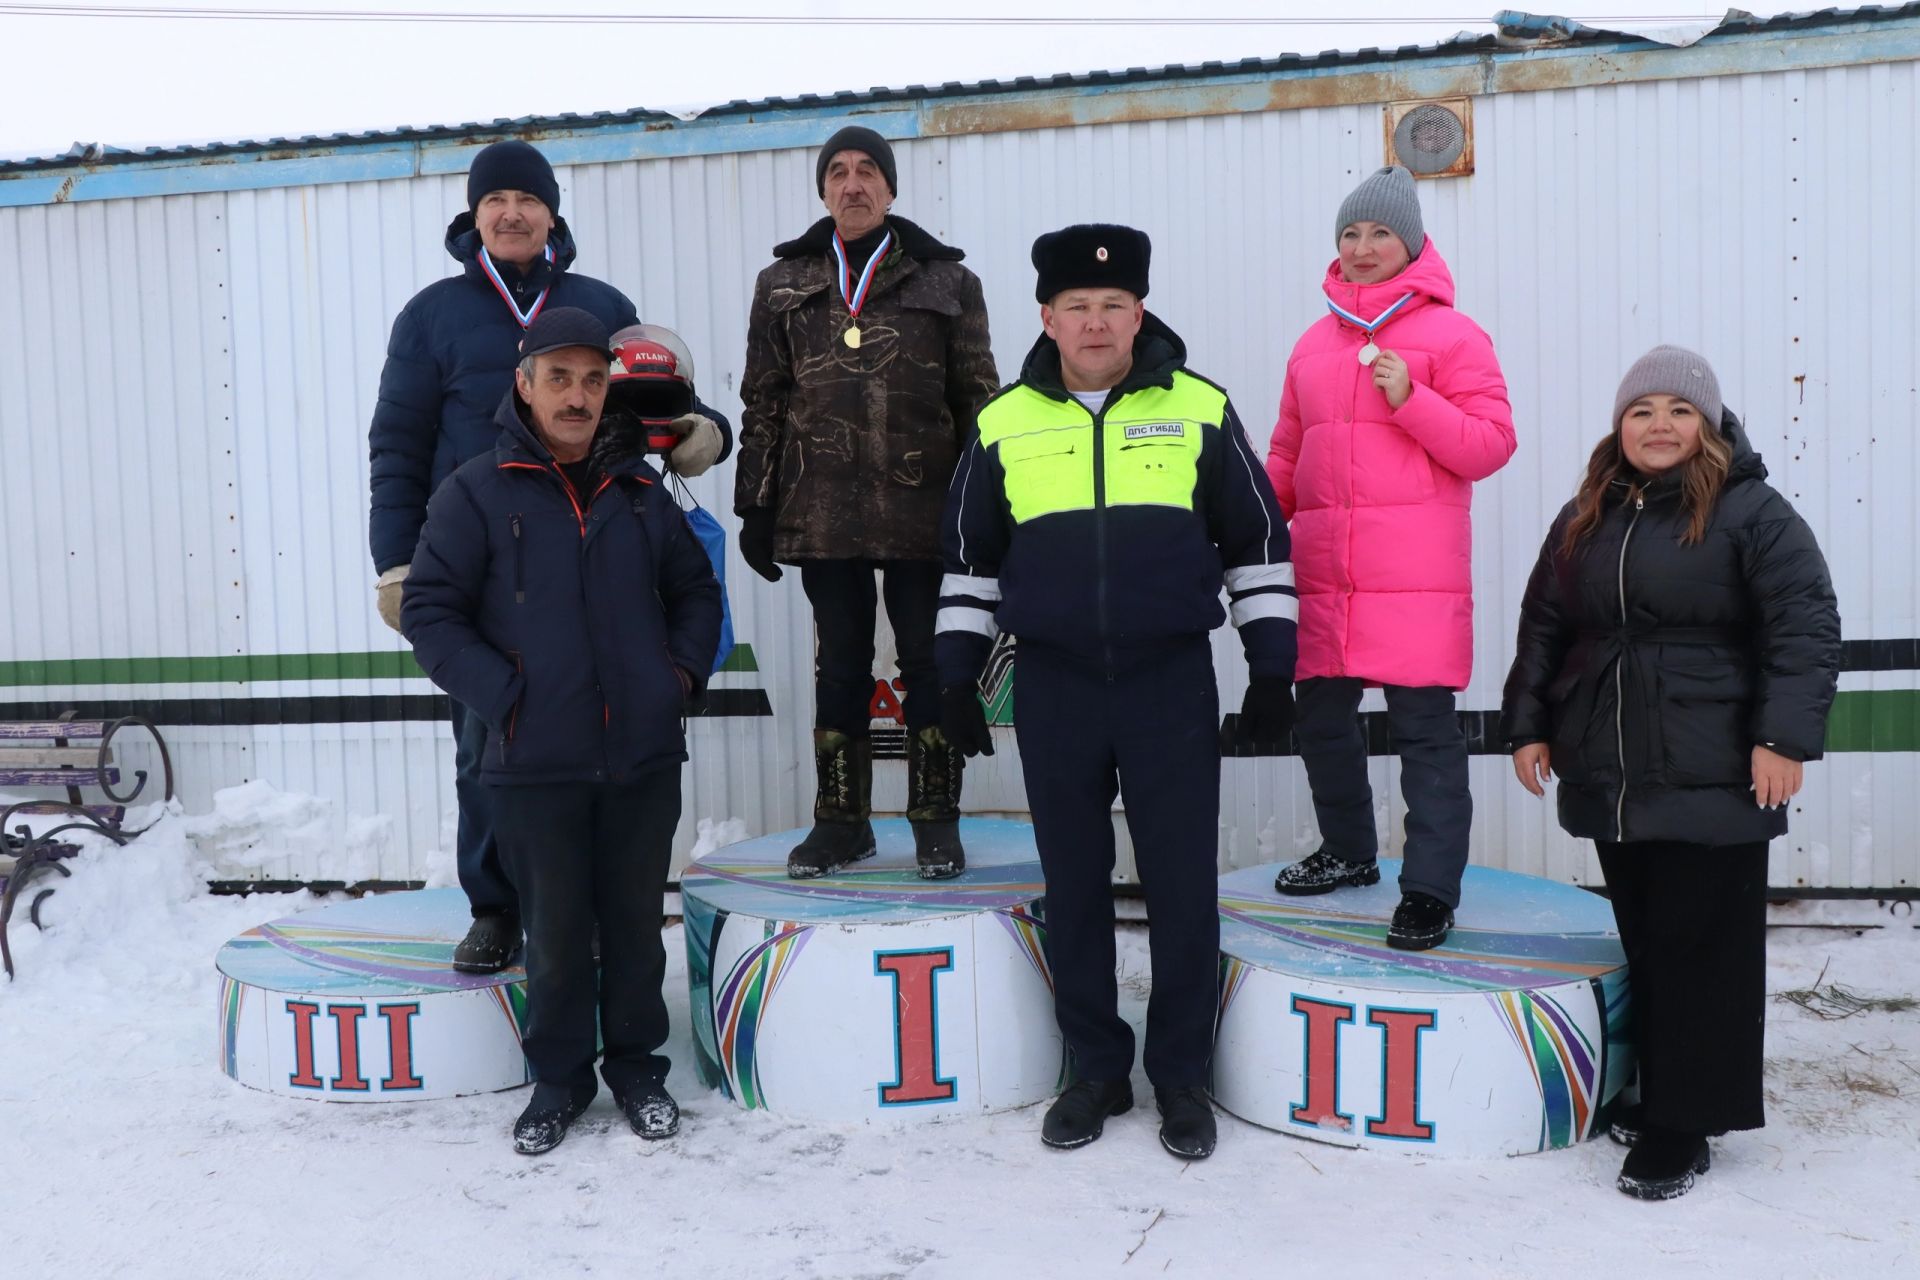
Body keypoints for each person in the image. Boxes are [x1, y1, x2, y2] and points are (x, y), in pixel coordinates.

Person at [937, 225, 1298, 1160]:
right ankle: (1095, 1067)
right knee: (1075, 885)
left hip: (1168, 678)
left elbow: (1255, 546)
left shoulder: (1200, 409)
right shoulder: (1003, 421)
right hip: (1053, 683)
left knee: (1182, 887)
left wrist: (1271, 665)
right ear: (1047, 318)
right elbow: (971, 564)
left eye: (1113, 305)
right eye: (1076, 307)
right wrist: (952, 676)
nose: (1095, 322)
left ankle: (1180, 1074)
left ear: (1140, 311)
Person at [368, 139, 729, 973]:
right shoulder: (431, 316)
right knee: (483, 744)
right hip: (482, 558)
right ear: (474, 216)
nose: (511, 213)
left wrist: (699, 429)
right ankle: (495, 907)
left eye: (527, 200)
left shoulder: (602, 301)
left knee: (602, 739)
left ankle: (591, 909)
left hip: (597, 550)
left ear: (552, 212)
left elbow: (654, 393)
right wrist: (397, 561)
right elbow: (397, 443)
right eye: (495, 200)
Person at [1500, 346, 1839, 1200]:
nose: (1660, 425)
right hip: (1614, 765)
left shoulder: (1752, 512)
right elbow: (1545, 621)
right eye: (1642, 409)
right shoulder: (1588, 513)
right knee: (1650, 938)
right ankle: (1662, 1088)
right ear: (1620, 425)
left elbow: (1803, 624)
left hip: (1715, 763)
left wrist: (1785, 740)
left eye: (1679, 410)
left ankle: (1685, 1124)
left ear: (1710, 426)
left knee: (1703, 950)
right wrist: (1530, 724)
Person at [401, 307, 723, 1155]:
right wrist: (503, 697)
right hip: (532, 758)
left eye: (591, 380)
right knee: (552, 932)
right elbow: (429, 610)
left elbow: (695, 593)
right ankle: (558, 1081)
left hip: (641, 754)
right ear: (524, 384)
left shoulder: (644, 490)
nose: (577, 397)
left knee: (630, 926)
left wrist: (677, 678)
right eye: (559, 379)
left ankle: (638, 1072)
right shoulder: (475, 489)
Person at [734, 125, 999, 880]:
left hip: (925, 514)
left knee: (930, 663)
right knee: (840, 667)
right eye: (839, 173)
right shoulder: (783, 282)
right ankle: (840, 823)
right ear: (823, 189)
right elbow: (764, 399)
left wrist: (984, 514)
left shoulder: (947, 281)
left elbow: (980, 403)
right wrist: (755, 504)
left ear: (890, 189)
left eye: (868, 172)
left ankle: (936, 825)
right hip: (822, 510)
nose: (853, 185)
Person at [1264, 165, 1516, 950]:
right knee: (1323, 721)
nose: (1363, 246)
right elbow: (1285, 454)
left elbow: (1489, 445)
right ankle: (1348, 851)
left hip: (1414, 579)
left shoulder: (1455, 335)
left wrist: (1413, 399)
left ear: (1411, 244)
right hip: (1327, 573)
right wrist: (1255, 531)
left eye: (1379, 233)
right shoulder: (1312, 343)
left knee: (1425, 735)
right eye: (1351, 233)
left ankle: (1431, 889)